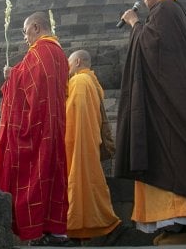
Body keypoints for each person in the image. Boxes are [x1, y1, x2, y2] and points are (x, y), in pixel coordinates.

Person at [116, 0, 186, 245]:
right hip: (172, 99)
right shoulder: (173, 13)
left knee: (171, 155)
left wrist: (135, 24)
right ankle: (170, 222)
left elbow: (152, 46)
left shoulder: (166, 11)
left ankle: (179, 218)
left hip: (170, 104)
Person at [0, 12, 73, 247]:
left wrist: (11, 74)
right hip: (54, 125)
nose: (25, 38)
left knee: (34, 175)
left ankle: (36, 230)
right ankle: (55, 229)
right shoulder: (59, 54)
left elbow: (29, 84)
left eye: (25, 32)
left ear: (35, 27)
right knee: (52, 176)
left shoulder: (39, 52)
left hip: (37, 127)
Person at [65, 49, 122, 243]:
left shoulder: (80, 82)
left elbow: (74, 114)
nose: (67, 67)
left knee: (79, 184)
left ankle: (95, 223)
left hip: (78, 141)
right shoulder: (91, 82)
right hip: (88, 141)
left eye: (69, 63)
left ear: (78, 61)